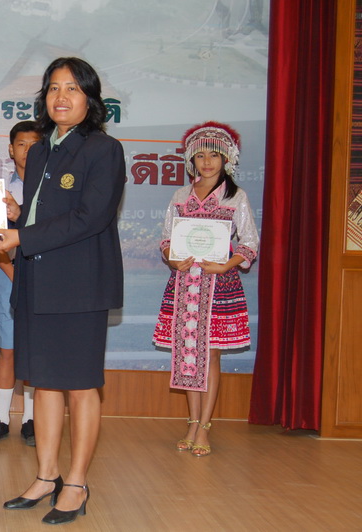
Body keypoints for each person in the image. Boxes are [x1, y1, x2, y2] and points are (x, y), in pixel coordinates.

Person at [0, 57, 125, 525]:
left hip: (80, 286)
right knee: (43, 384)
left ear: (90, 97)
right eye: (53, 88)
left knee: (81, 387)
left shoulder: (103, 149)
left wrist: (21, 234)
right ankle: (46, 476)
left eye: (72, 88)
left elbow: (90, 217)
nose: (61, 97)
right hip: (38, 281)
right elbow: (43, 215)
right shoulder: (42, 150)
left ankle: (77, 483)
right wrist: (17, 214)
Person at [152, 121, 259, 457]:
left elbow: (250, 243)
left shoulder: (235, 197)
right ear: (191, 160)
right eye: (201, 155)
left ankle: (204, 426)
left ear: (227, 159)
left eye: (214, 155)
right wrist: (173, 258)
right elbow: (167, 239)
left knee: (210, 354)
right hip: (185, 284)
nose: (208, 161)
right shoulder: (180, 196)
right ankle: (191, 422)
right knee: (187, 352)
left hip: (219, 286)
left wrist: (226, 264)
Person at [0, 120, 41, 446]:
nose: (27, 151)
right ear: (11, 149)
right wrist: (17, 278)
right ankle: (1, 419)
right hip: (9, 276)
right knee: (8, 349)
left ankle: (31, 420)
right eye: (21, 144)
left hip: (44, 280)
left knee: (34, 351)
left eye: (34, 144)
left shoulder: (51, 191)